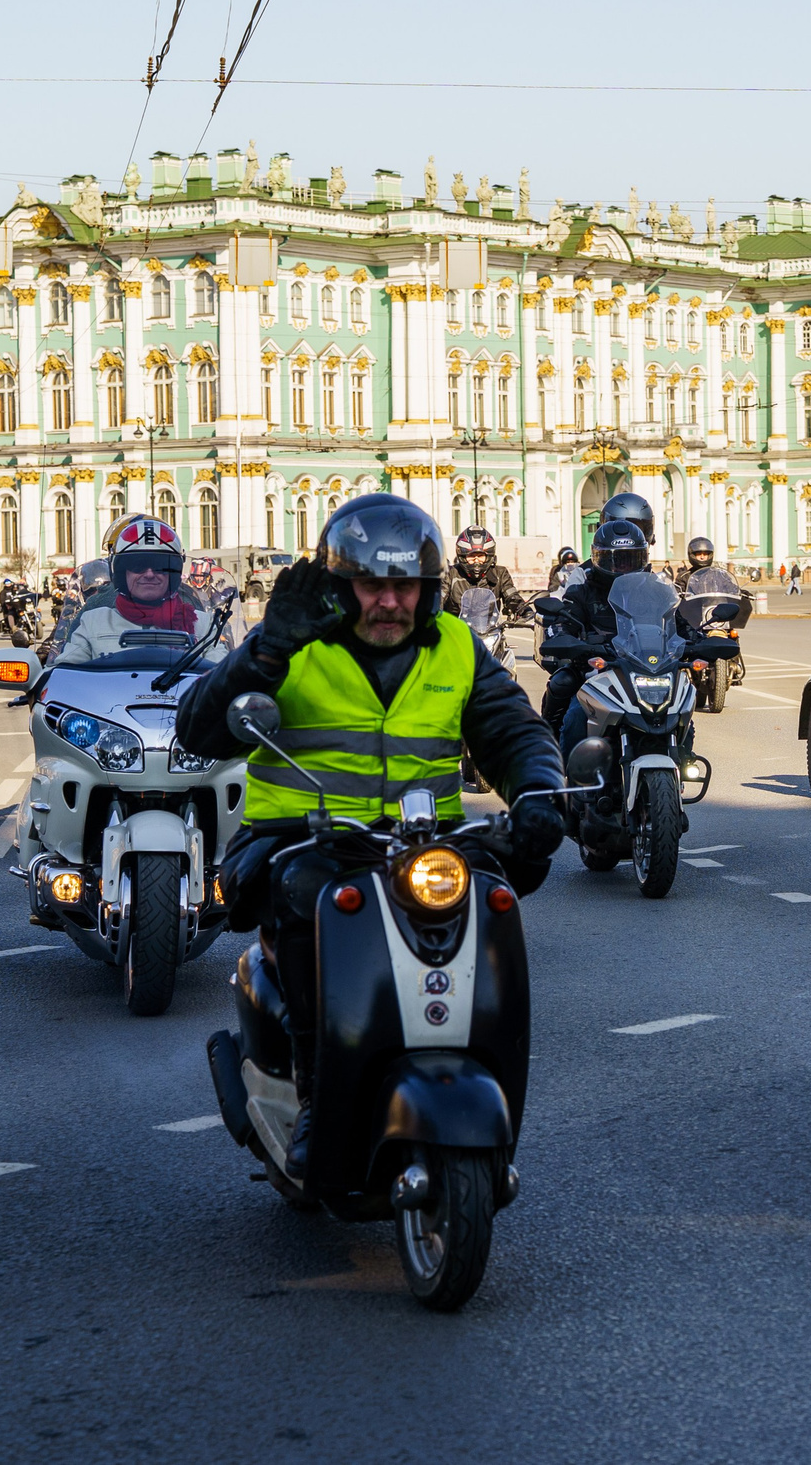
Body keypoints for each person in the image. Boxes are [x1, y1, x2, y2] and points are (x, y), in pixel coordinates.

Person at [176, 494, 564, 1173]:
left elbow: (513, 729)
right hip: (296, 839)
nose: (389, 600)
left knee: (502, 886)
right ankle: (314, 1098)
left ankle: (488, 1072)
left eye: (404, 585)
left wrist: (537, 793)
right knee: (314, 896)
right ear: (340, 584)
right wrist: (264, 652)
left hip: (425, 843)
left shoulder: (456, 648)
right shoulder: (293, 641)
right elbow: (199, 729)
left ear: (428, 587)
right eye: (372, 584)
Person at [537, 518, 652, 756]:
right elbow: (563, 622)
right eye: (616, 561)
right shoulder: (583, 591)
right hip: (597, 672)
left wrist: (698, 639)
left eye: (630, 561)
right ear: (601, 560)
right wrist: (565, 639)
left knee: (679, 703)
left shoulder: (652, 591)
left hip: (643, 670)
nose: (623, 568)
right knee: (572, 711)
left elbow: (677, 623)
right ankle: (552, 759)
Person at [52, 515, 214, 664]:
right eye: (138, 565)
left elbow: (224, 676)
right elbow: (64, 672)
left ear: (174, 573)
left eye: (160, 566)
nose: (150, 574)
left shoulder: (203, 625)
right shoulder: (93, 622)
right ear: (122, 573)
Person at [442, 527, 528, 621]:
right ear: (463, 557)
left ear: (488, 556)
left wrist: (523, 610)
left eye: (480, 556)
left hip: (490, 630)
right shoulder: (450, 574)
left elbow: (512, 595)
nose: (476, 560)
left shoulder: (500, 573)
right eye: (471, 556)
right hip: (457, 629)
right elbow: (439, 598)